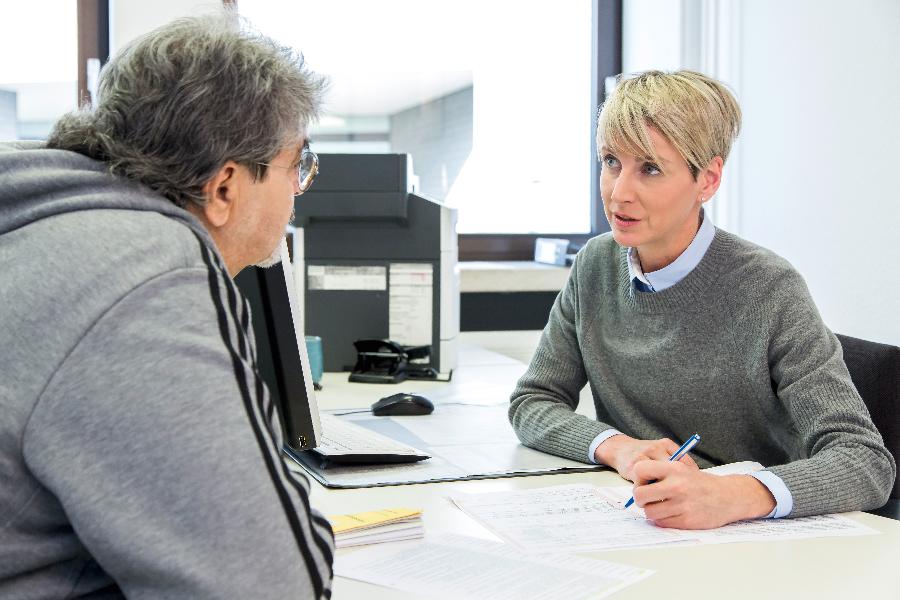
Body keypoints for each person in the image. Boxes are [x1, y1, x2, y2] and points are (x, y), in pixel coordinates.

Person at [0, 13, 334, 598]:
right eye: (296, 165)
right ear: (226, 186)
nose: (298, 190)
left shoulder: (52, 220)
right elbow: (267, 582)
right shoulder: (145, 271)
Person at [509, 70, 895, 529]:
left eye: (649, 168)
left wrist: (733, 496)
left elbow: (865, 460)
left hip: (761, 542)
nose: (619, 192)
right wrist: (621, 448)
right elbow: (531, 401)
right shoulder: (595, 264)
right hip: (649, 525)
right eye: (611, 161)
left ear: (707, 179)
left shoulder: (769, 288)